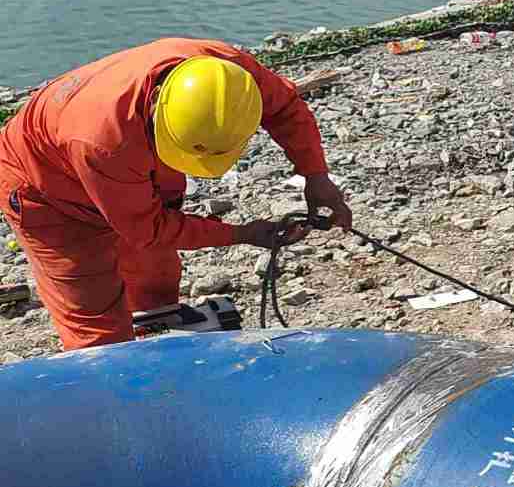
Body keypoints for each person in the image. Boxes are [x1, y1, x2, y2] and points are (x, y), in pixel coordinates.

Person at [0, 38, 352, 351]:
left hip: (127, 155)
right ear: (158, 109)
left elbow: (286, 108)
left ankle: (155, 349)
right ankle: (108, 389)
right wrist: (241, 234)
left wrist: (315, 176)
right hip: (44, 192)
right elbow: (149, 229)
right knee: (97, 324)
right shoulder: (103, 140)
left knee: (155, 279)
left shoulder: (228, 74)